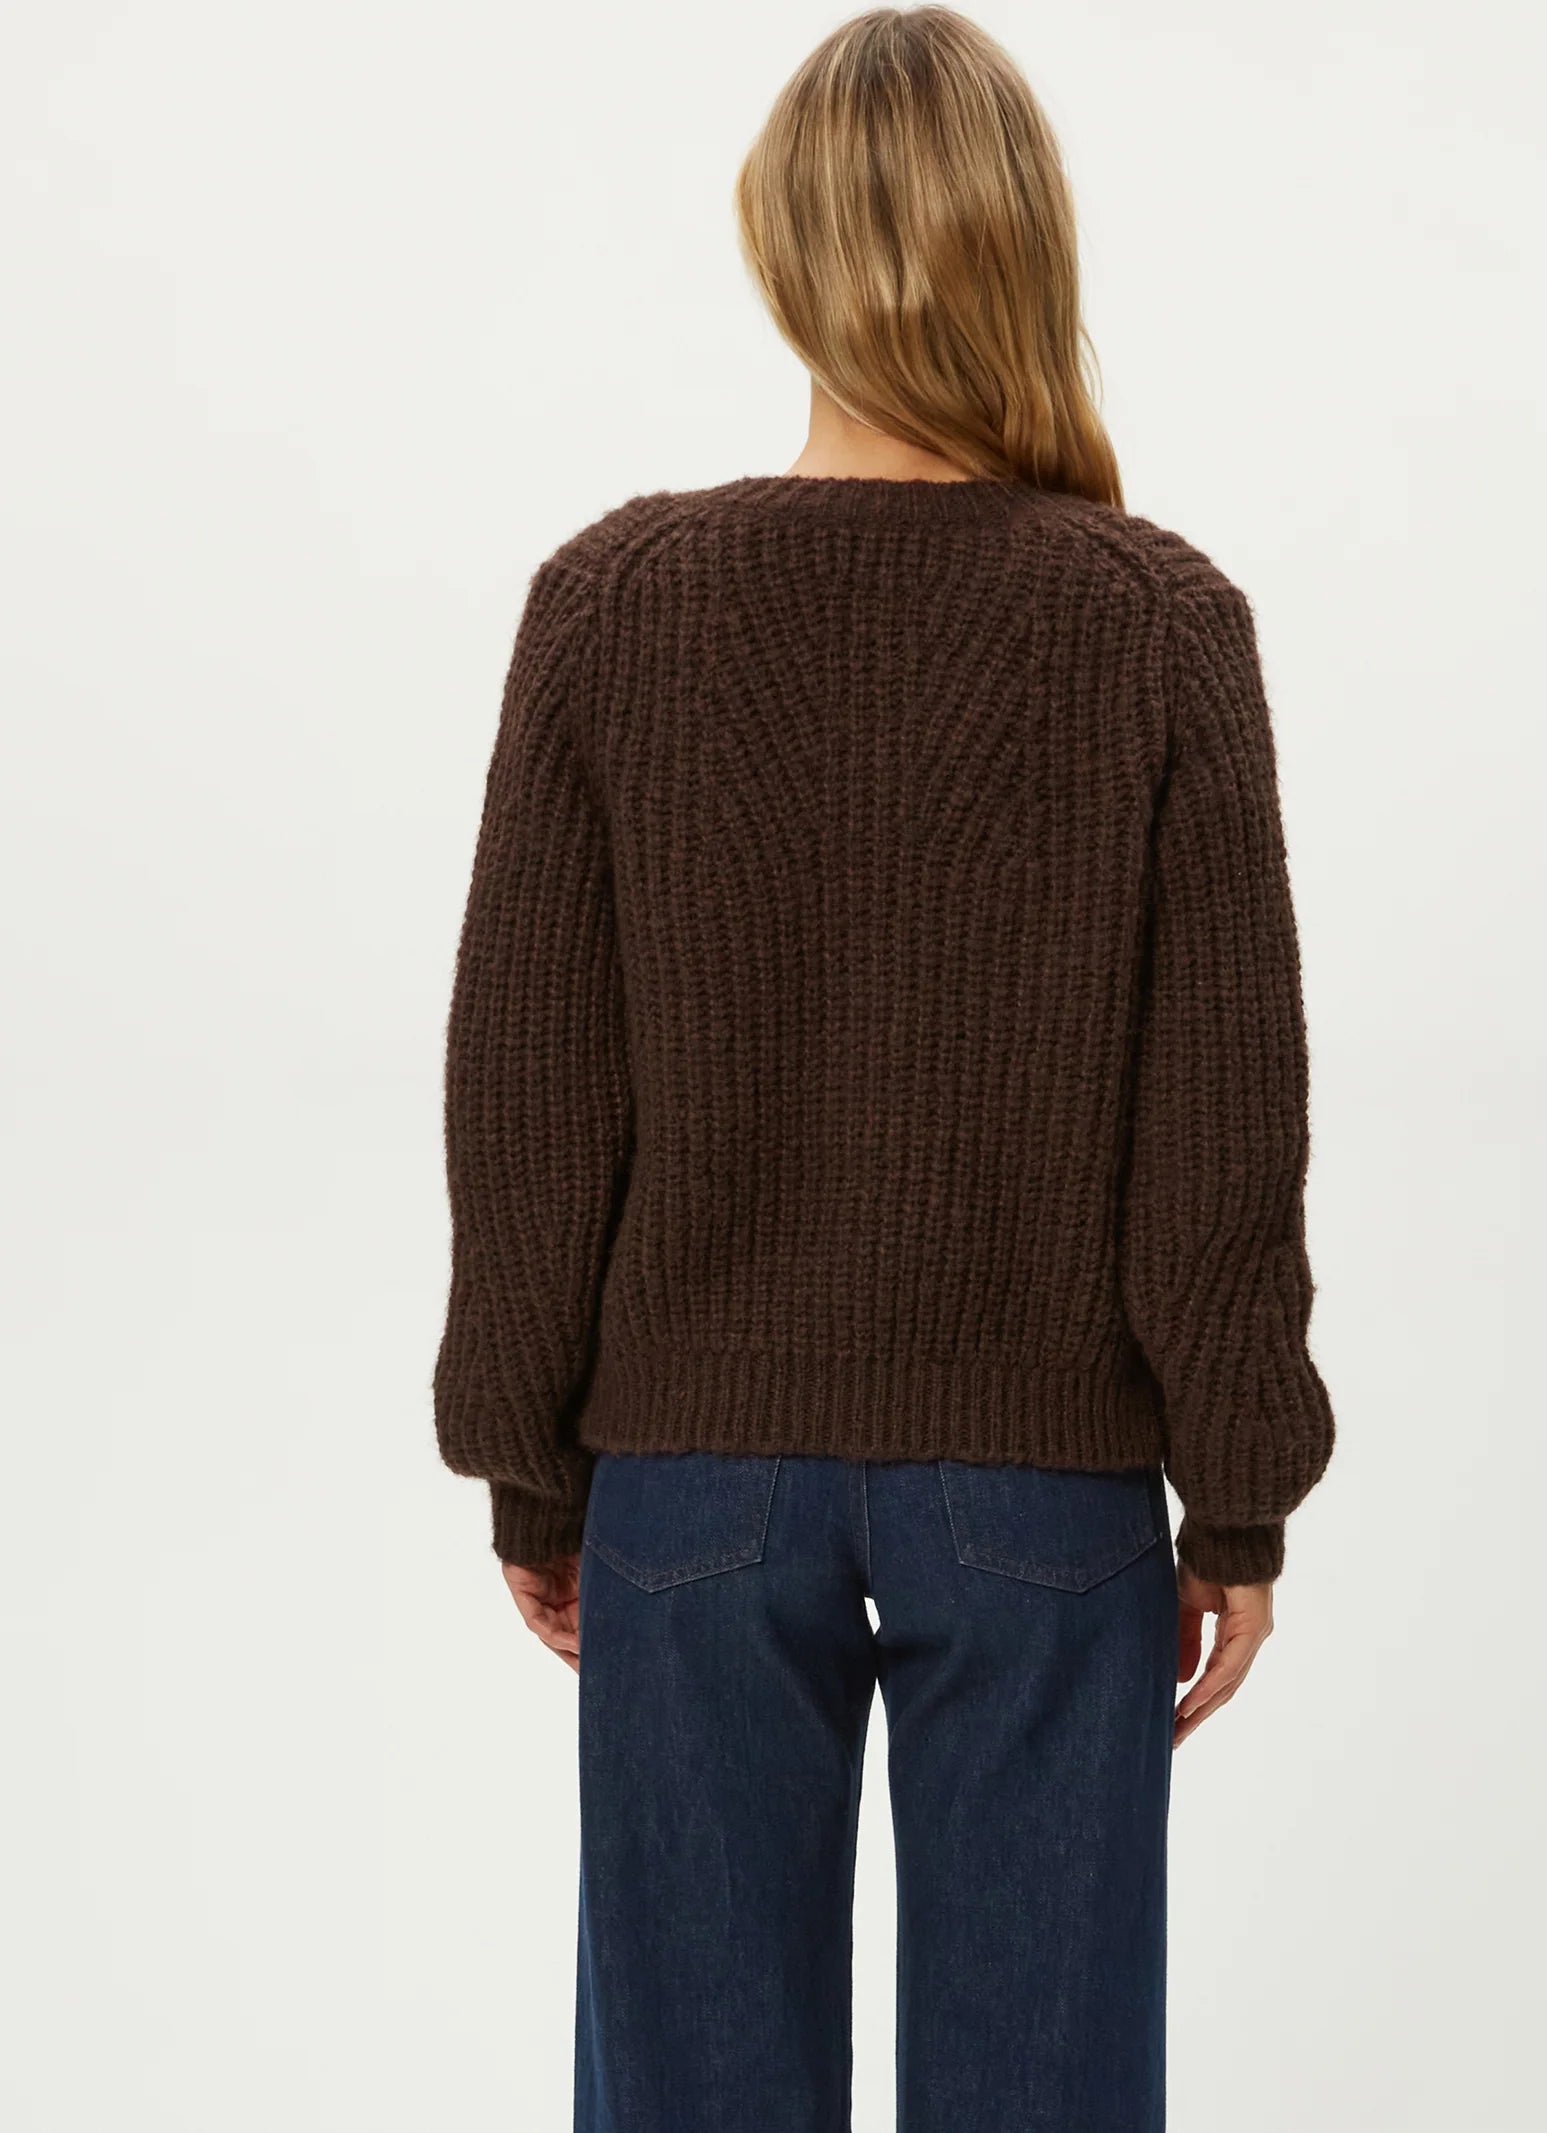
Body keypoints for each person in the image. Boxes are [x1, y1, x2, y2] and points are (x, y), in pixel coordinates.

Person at [431, 9, 1335, 2129]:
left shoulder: (613, 603)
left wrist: (528, 1459)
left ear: (780, 250)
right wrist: (1238, 1488)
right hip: (1041, 1485)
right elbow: (1220, 1114)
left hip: (689, 1478)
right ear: (1028, 248)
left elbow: (529, 1087)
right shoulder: (1152, 620)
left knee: (686, 2087)